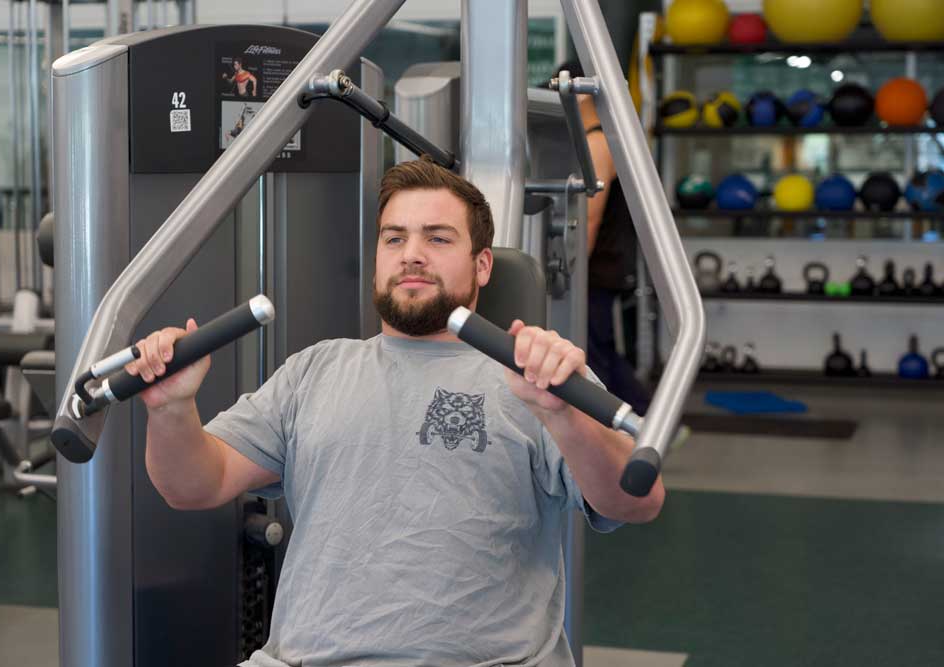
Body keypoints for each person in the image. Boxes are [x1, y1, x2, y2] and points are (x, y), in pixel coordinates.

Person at [128, 156, 665, 667]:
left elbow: (636, 502)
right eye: (395, 238)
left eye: (437, 238)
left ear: (482, 266)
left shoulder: (536, 376)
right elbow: (194, 484)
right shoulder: (315, 370)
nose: (412, 253)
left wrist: (563, 415)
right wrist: (172, 409)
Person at [554, 60, 651, 416]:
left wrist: (570, 270)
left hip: (596, 268)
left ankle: (643, 422)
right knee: (601, 348)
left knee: (595, 353)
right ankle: (649, 419)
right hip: (605, 265)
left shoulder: (597, 142)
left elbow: (589, 218)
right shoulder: (608, 139)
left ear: (580, 91)